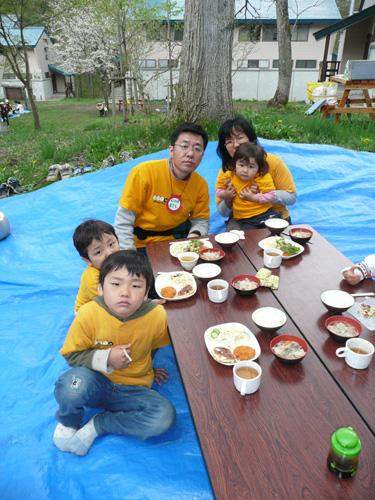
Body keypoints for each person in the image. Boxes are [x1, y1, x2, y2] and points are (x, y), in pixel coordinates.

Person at [53, 250, 175, 456]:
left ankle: (99, 424)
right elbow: (72, 355)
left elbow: (154, 345)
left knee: (163, 417)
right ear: (100, 288)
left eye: (136, 286)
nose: (125, 292)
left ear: (146, 294)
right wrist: (106, 358)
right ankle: (69, 422)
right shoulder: (89, 314)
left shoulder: (156, 316)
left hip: (134, 388)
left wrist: (150, 368)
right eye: (116, 284)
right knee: (70, 388)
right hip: (95, 380)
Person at [115, 122, 210, 250]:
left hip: (179, 243)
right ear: (171, 150)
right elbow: (124, 220)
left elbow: (201, 221)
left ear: (202, 156)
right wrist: (129, 255)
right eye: (184, 146)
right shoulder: (143, 173)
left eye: (197, 149)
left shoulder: (200, 185)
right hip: (142, 245)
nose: (190, 154)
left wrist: (193, 237)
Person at [216, 116, 296, 227]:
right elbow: (223, 212)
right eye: (229, 141)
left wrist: (262, 196)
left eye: (239, 138)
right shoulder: (226, 171)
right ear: (224, 147)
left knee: (274, 242)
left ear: (251, 139)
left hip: (275, 215)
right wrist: (229, 197)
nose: (235, 145)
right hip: (243, 220)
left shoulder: (272, 162)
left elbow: (291, 197)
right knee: (239, 241)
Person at [216, 143, 281, 230]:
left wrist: (254, 197)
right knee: (248, 236)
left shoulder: (262, 177)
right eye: (241, 165)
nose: (245, 170)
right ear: (235, 164)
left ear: (259, 167)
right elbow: (218, 191)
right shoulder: (229, 175)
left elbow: (272, 195)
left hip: (265, 213)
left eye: (251, 167)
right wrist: (226, 194)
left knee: (276, 227)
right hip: (244, 218)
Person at [73, 219, 120, 313]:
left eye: (111, 244)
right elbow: (114, 304)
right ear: (87, 260)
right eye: (98, 252)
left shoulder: (119, 258)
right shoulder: (93, 281)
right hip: (89, 313)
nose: (109, 253)